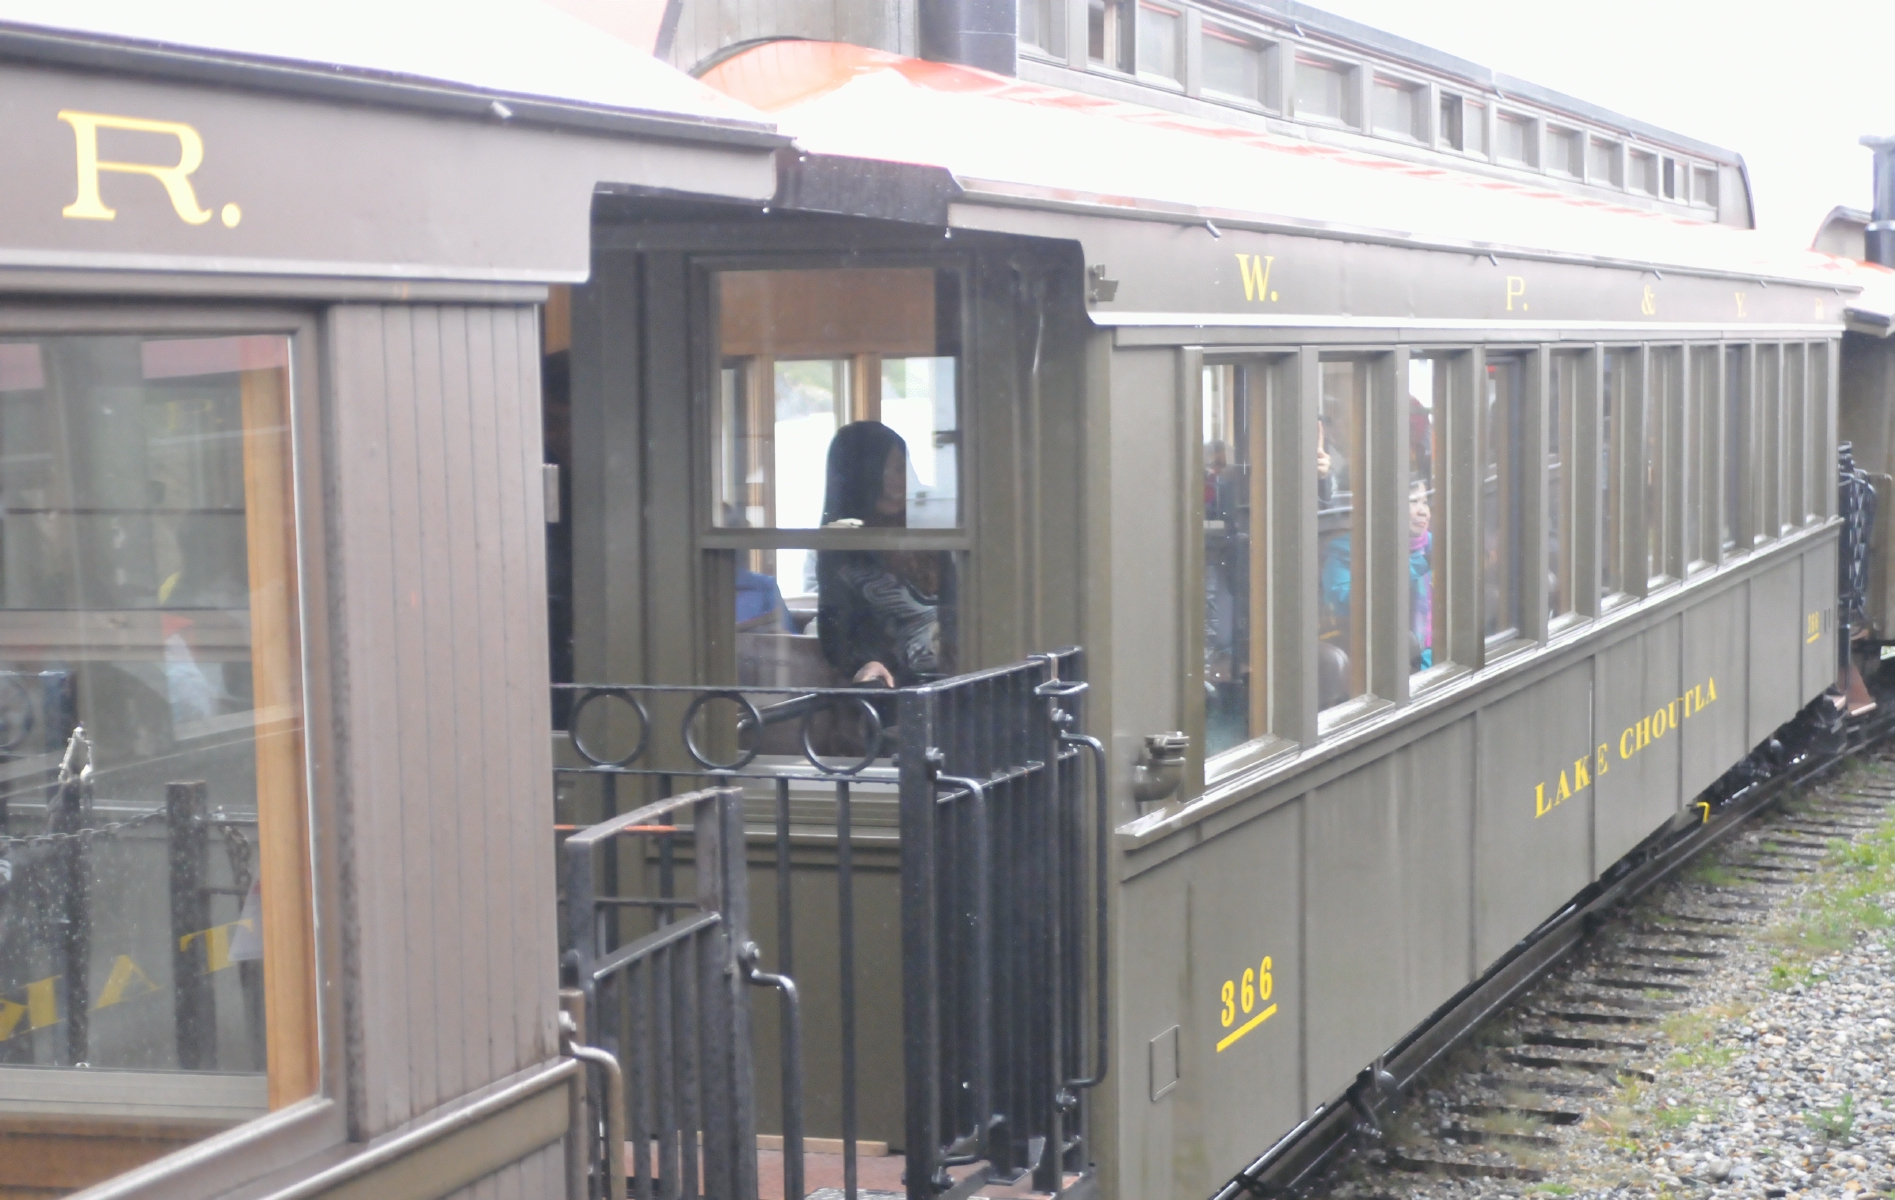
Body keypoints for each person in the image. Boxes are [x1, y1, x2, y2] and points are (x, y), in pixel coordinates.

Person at [815, 421, 954, 687]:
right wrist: (864, 664)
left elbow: (960, 608)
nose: (902, 482)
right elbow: (836, 634)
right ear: (863, 477)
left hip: (955, 681)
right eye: (893, 470)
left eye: (905, 468)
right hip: (887, 691)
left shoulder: (931, 525)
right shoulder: (842, 546)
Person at [1409, 478, 1433, 670]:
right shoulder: (1349, 551)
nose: (1422, 510)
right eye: (1413, 501)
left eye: (1425, 502)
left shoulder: (1437, 544)